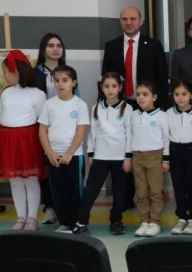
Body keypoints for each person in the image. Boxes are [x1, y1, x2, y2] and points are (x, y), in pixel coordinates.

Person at [73, 72, 133, 236]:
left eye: (114, 86)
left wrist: (128, 157)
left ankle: (116, 221)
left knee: (120, 192)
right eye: (106, 86)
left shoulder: (127, 108)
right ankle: (81, 222)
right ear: (101, 88)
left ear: (120, 87)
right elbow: (93, 134)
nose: (110, 90)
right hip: (100, 157)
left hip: (120, 158)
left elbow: (130, 134)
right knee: (91, 190)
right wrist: (91, 155)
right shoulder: (96, 108)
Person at [37, 65, 88, 233]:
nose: (60, 84)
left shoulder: (79, 104)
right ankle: (65, 221)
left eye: (65, 80)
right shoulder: (49, 105)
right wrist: (50, 152)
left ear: (73, 82)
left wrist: (69, 154)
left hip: (74, 156)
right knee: (58, 191)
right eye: (57, 81)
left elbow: (81, 132)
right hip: (53, 156)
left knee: (75, 191)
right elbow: (42, 130)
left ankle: (78, 222)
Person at [0, 50, 47, 231]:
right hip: (8, 139)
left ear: (16, 71)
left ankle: (32, 217)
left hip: (28, 140)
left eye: (5, 71)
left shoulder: (37, 94)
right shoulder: (6, 92)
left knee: (31, 178)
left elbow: (42, 121)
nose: (4, 75)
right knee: (15, 179)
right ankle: (20, 215)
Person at [35, 32, 76, 225]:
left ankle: (66, 211)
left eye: (58, 45)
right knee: (46, 168)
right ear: (44, 49)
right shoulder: (35, 73)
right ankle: (49, 207)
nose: (55, 49)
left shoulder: (67, 72)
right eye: (51, 45)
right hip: (43, 126)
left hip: (64, 128)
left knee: (64, 171)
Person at [102, 6, 169, 109]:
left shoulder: (154, 46)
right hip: (119, 105)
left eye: (133, 19)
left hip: (147, 106)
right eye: (124, 19)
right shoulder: (111, 46)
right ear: (120, 21)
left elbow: (162, 79)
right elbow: (105, 77)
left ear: (141, 21)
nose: (128, 23)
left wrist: (162, 106)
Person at [128, 81, 169, 238]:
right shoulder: (133, 115)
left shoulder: (161, 116)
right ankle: (144, 221)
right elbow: (130, 136)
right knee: (141, 190)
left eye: (145, 95)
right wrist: (130, 157)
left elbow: (166, 138)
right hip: (138, 156)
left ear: (154, 97)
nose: (141, 98)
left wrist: (165, 160)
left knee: (155, 191)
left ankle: (155, 222)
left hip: (155, 156)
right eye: (138, 95)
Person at [167, 80, 192, 235]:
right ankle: (181, 216)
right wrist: (166, 157)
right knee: (178, 185)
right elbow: (165, 136)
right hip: (175, 151)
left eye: (184, 94)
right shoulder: (169, 113)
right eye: (177, 94)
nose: (180, 98)